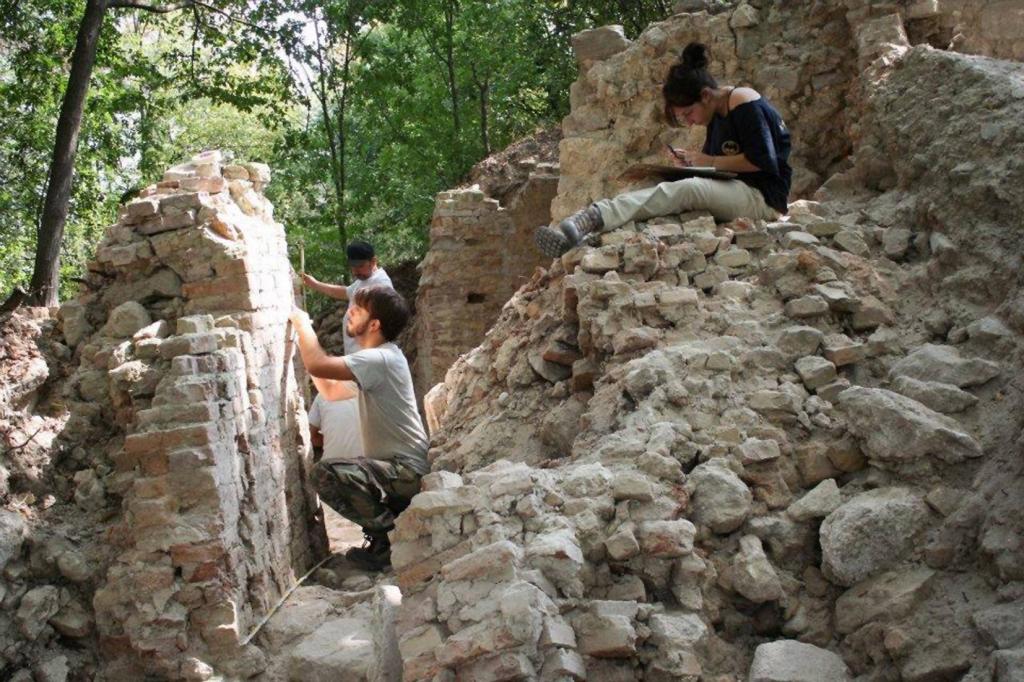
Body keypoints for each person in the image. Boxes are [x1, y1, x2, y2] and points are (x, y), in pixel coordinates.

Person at [535, 41, 792, 257]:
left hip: (763, 199)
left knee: (690, 189)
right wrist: (693, 164)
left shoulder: (744, 102)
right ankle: (587, 237)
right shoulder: (716, 113)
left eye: (689, 113)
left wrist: (707, 160)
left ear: (705, 95)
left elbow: (761, 161)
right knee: (654, 184)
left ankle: (595, 217)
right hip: (739, 191)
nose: (690, 122)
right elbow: (721, 168)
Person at [290, 285, 428, 571]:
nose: (349, 312)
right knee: (341, 471)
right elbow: (330, 390)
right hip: (397, 471)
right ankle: (390, 535)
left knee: (326, 473)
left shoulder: (380, 358)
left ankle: (390, 543)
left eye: (358, 309)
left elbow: (317, 364)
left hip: (406, 472)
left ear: (374, 324)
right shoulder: (381, 360)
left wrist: (301, 324)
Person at [300, 240, 394, 355]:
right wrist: (315, 284)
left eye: (360, 266)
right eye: (353, 267)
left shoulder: (381, 284)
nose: (355, 271)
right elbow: (345, 292)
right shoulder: (364, 280)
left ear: (373, 261)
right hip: (357, 353)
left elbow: (382, 324)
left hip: (368, 355)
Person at [307, 378, 364, 463]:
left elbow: (310, 437)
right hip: (366, 467)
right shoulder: (374, 397)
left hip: (332, 468)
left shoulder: (323, 394)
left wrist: (332, 440)